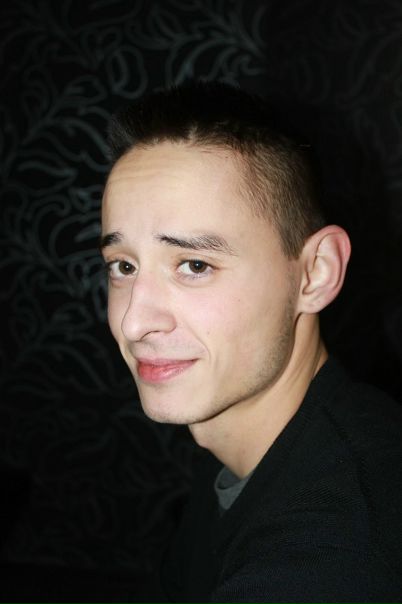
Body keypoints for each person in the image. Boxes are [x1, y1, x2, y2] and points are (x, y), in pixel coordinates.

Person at [100, 81, 402, 603]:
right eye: (124, 266)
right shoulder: (241, 442)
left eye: (195, 265)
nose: (133, 323)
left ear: (315, 273)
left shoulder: (333, 556)